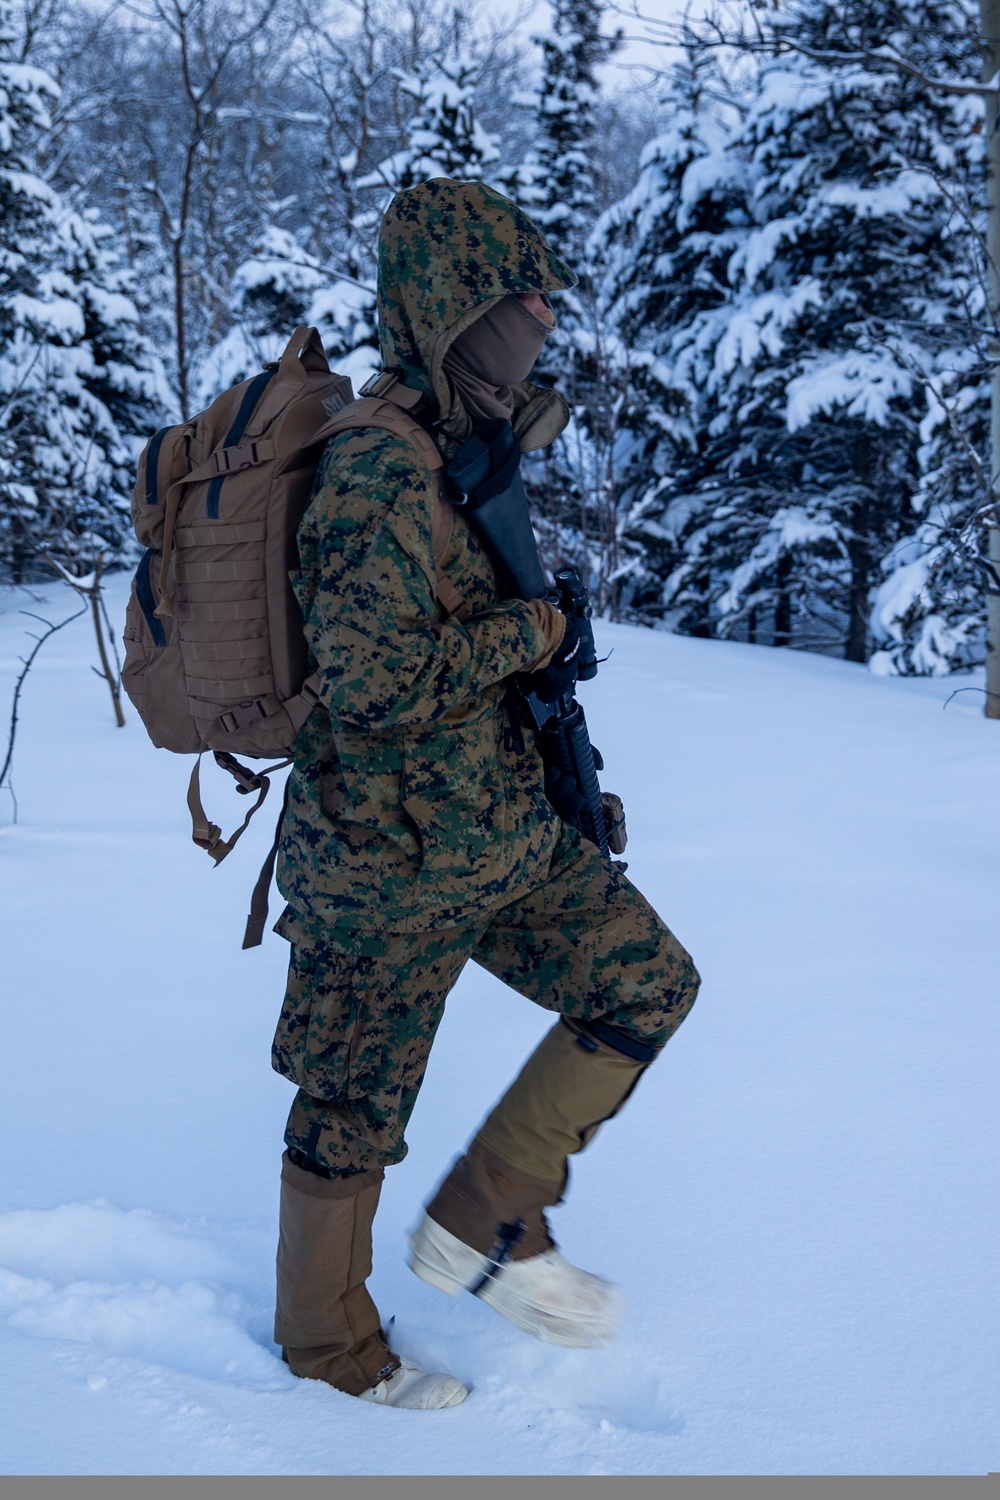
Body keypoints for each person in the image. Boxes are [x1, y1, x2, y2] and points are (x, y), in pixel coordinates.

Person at [270, 178, 700, 1411]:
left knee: (647, 980)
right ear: (446, 312)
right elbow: (374, 683)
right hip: (382, 866)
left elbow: (473, 661)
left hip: (496, 841)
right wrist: (525, 633)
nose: (536, 327)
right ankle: (326, 1354)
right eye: (513, 307)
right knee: (350, 1107)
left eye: (541, 306)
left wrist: (554, 784)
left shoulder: (470, 450)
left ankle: (492, 1211)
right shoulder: (375, 470)